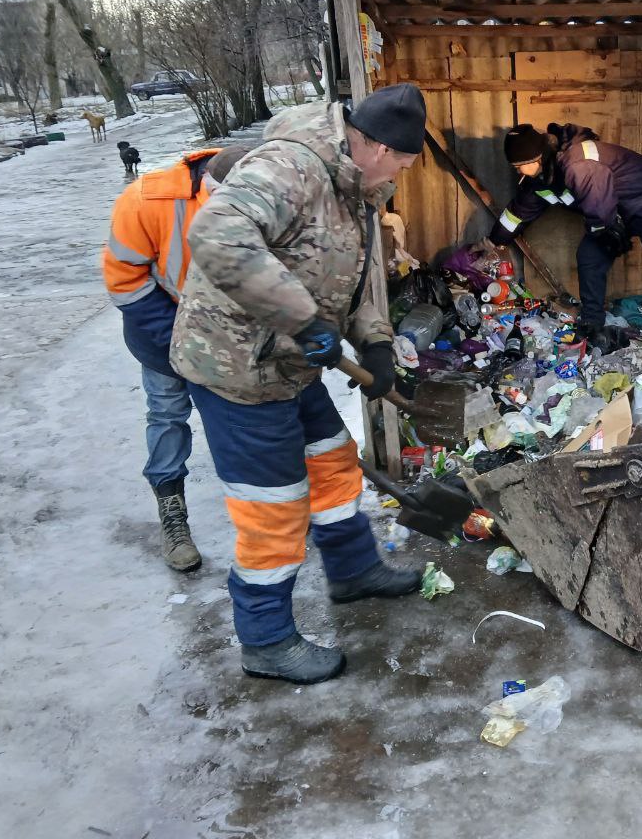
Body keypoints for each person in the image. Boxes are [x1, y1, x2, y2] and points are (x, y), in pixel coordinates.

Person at [171, 84, 426, 685]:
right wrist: (303, 319)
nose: (403, 174)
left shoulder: (357, 187)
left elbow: (350, 278)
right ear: (378, 147)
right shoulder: (291, 167)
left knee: (333, 460)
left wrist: (376, 343)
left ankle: (353, 571)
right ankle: (266, 640)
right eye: (404, 163)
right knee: (274, 506)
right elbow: (216, 234)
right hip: (239, 366)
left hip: (292, 362)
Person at [102, 143, 253, 572]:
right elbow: (124, 282)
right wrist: (184, 341)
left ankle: (271, 513)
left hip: (236, 339)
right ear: (210, 187)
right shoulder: (146, 200)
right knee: (168, 414)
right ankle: (172, 512)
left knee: (246, 420)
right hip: (162, 334)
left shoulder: (272, 193)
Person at [490, 122, 642, 337]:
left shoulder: (577, 164)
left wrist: (605, 231)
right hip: (613, 212)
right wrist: (493, 241)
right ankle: (592, 323)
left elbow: (599, 203)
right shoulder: (541, 178)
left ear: (536, 158)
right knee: (589, 257)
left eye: (519, 165)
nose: (517, 171)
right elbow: (518, 212)